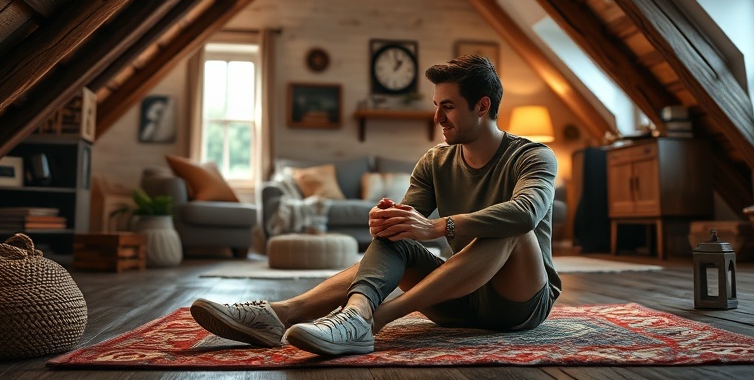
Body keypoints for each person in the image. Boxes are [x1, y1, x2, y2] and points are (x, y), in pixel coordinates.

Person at [190, 55, 560, 356]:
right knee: (395, 229)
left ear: (483, 105)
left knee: (513, 228)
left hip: (519, 303)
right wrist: (384, 220)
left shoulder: (533, 156)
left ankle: (375, 320)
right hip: (460, 298)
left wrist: (437, 226)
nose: (437, 118)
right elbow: (403, 223)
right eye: (436, 106)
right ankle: (287, 314)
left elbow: (527, 211)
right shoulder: (435, 161)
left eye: (448, 107)